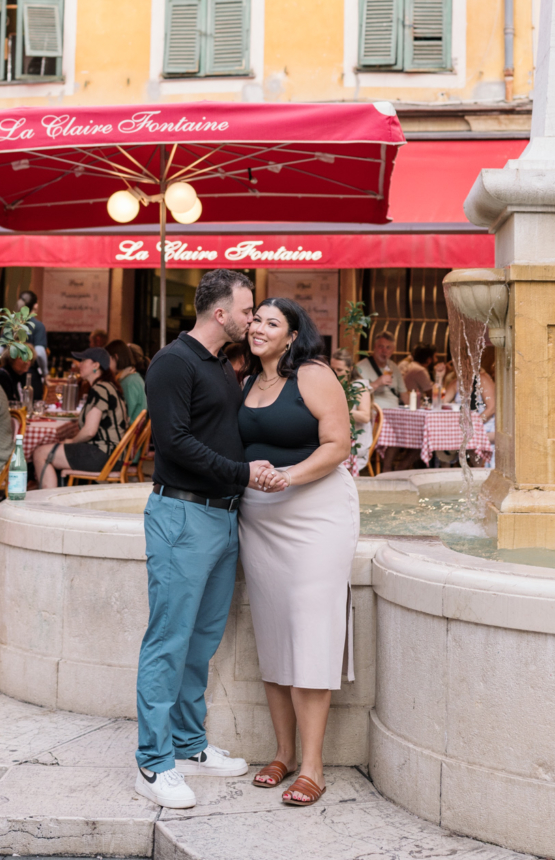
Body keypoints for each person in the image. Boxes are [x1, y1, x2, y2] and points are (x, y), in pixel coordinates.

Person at [135, 270, 279, 813]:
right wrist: (243, 473)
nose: (252, 320)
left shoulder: (221, 365)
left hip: (221, 518)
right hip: (182, 516)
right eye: (246, 311)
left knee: (201, 642)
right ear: (221, 314)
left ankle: (190, 746)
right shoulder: (173, 362)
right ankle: (152, 763)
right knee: (168, 641)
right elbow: (172, 445)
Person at [238, 297, 358, 808]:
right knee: (272, 629)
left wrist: (287, 476)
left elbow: (339, 444)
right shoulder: (246, 379)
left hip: (315, 514)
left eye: (272, 322)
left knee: (310, 629)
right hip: (259, 518)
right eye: (256, 319)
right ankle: (283, 752)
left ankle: (313, 767)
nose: (259, 327)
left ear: (291, 336)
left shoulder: (311, 374)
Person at [33, 348, 127, 488]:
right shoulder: (108, 387)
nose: (79, 364)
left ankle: (48, 505)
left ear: (96, 365)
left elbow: (90, 431)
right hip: (113, 455)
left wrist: (71, 441)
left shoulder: (100, 389)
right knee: (51, 451)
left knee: (40, 453)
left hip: (103, 454)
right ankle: (60, 498)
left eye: (83, 361)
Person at [331, 347, 372, 472]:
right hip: (336, 438)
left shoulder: (359, 386)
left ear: (350, 369)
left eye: (339, 370)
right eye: (332, 369)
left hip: (356, 441)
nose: (335, 373)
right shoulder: (332, 383)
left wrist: (341, 410)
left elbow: (365, 416)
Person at [356, 331, 405, 410]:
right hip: (375, 415)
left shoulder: (394, 367)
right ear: (375, 347)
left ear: (393, 350)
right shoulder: (361, 367)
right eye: (381, 346)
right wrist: (377, 383)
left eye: (388, 347)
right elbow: (356, 395)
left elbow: (404, 394)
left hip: (395, 413)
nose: (384, 351)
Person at [108, 339, 146, 422]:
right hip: (135, 430)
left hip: (130, 432)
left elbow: (124, 416)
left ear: (116, 357)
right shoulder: (133, 377)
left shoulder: (128, 382)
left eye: (108, 358)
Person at [18, 289, 49, 381]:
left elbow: (0, 350)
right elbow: (40, 353)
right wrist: (45, 373)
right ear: (35, 305)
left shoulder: (11, 324)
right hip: (29, 374)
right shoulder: (38, 326)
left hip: (11, 375)